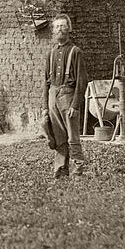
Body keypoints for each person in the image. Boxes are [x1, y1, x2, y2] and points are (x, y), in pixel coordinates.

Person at [43, 15, 88, 179]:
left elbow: (82, 82)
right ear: (53, 31)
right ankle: (61, 169)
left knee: (72, 136)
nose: (60, 29)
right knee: (58, 135)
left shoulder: (76, 52)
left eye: (63, 26)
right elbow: (46, 83)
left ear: (69, 29)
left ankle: (78, 170)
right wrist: (45, 108)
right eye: (57, 27)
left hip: (68, 96)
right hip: (53, 96)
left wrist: (75, 105)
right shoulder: (50, 54)